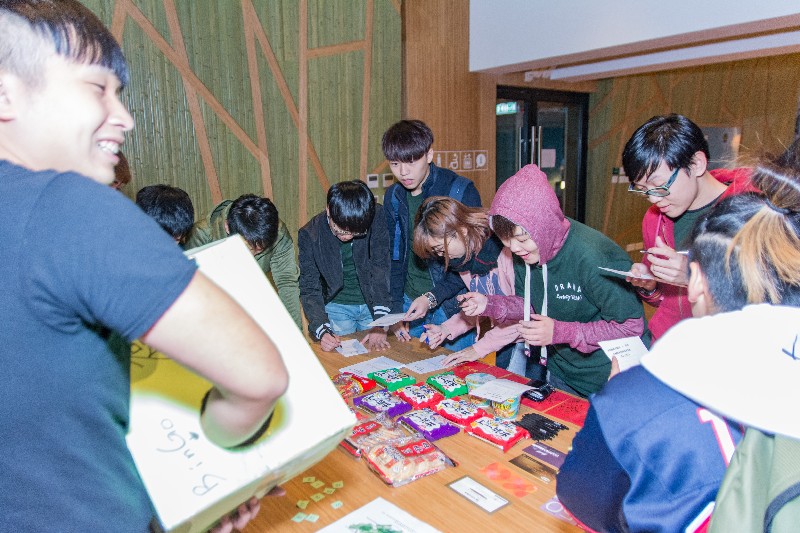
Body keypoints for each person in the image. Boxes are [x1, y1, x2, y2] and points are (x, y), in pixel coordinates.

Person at [0, 2, 288, 532]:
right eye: (97, 88)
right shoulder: (72, 207)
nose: (124, 116)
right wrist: (224, 461)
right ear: (6, 92)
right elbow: (260, 375)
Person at [557, 140, 800, 532]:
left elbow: (582, 497)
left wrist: (622, 393)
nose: (654, 198)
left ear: (698, 281)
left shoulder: (637, 399)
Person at [461, 164, 649, 397]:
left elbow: (631, 327)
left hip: (610, 379)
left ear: (543, 226)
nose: (514, 248)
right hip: (562, 373)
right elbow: (528, 304)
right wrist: (489, 304)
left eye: (521, 239)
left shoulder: (593, 257)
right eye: (505, 241)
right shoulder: (525, 253)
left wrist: (561, 332)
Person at [622, 113, 754, 340]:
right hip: (671, 344)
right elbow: (665, 300)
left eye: (659, 186)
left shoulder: (751, 213)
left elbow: (770, 299)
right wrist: (650, 285)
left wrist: (693, 275)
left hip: (730, 346)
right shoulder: (654, 219)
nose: (653, 199)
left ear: (696, 164)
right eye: (642, 189)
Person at [382, 119, 481, 351]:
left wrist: (432, 297)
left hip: (452, 308)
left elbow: (473, 261)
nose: (403, 172)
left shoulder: (459, 191)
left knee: (455, 380)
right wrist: (396, 307)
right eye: (395, 164)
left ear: (429, 154)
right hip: (410, 303)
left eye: (411, 161)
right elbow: (394, 256)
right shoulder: (394, 197)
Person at [410, 196, 520, 368]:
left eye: (441, 248)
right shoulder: (463, 260)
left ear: (462, 230)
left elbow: (521, 312)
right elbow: (478, 307)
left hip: (530, 342)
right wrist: (445, 329)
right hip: (505, 339)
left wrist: (478, 349)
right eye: (436, 251)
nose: (441, 256)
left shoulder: (505, 254)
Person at [298, 180, 391, 351]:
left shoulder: (376, 215)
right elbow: (310, 286)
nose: (347, 237)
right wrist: (322, 329)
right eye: (340, 230)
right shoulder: (311, 234)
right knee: (343, 361)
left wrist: (381, 321)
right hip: (337, 306)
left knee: (376, 357)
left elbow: (380, 266)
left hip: (372, 301)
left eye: (356, 232)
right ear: (328, 210)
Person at [185, 193, 302, 328]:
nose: (252, 256)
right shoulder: (202, 236)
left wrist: (296, 336)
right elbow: (191, 291)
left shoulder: (276, 232)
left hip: (249, 302)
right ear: (227, 227)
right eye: (247, 248)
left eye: (260, 250)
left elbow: (286, 282)